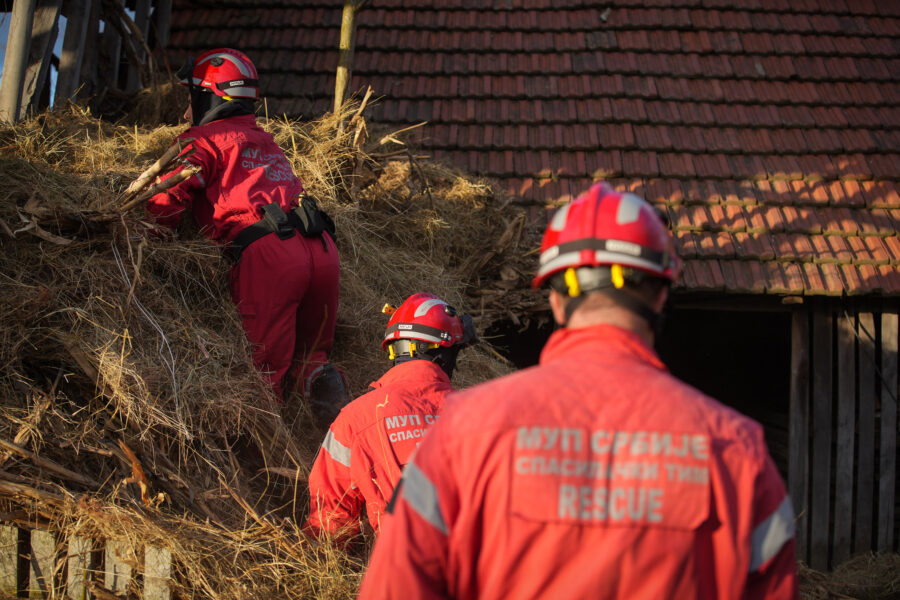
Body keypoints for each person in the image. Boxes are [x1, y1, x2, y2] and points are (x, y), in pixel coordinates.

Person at [359, 183, 798, 599]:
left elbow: (394, 587)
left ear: (554, 297)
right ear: (662, 294)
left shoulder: (461, 433)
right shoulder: (737, 451)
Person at [145, 48, 347, 415]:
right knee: (311, 354)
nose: (186, 111)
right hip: (322, 248)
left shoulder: (200, 141)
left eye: (191, 98)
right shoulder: (265, 140)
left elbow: (167, 194)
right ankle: (321, 393)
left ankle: (264, 456)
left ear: (207, 97)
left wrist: (151, 242)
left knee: (263, 374)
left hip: (271, 257)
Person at [305, 293, 477, 538]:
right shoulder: (482, 416)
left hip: (403, 568)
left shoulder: (356, 419)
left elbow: (330, 522)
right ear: (445, 354)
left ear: (393, 352)